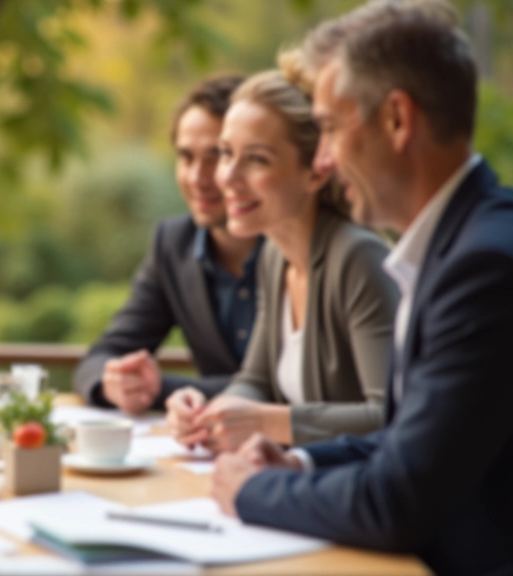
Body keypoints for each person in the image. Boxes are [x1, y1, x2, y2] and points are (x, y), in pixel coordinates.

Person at [210, 3, 513, 574]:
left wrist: (251, 493)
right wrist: (297, 463)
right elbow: (407, 444)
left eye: (327, 127)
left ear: (397, 120)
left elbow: (397, 500)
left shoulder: (484, 267)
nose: (322, 158)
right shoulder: (453, 247)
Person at [165, 70, 398, 453]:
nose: (227, 177)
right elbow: (254, 380)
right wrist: (209, 411)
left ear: (315, 173)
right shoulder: (275, 256)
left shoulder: (358, 259)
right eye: (226, 153)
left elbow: (390, 415)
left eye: (257, 159)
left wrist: (267, 421)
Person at [73, 75, 265, 414]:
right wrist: (117, 382)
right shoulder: (173, 245)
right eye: (186, 157)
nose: (197, 178)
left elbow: (286, 386)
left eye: (216, 156)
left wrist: (161, 387)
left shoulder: (294, 248)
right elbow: (102, 356)